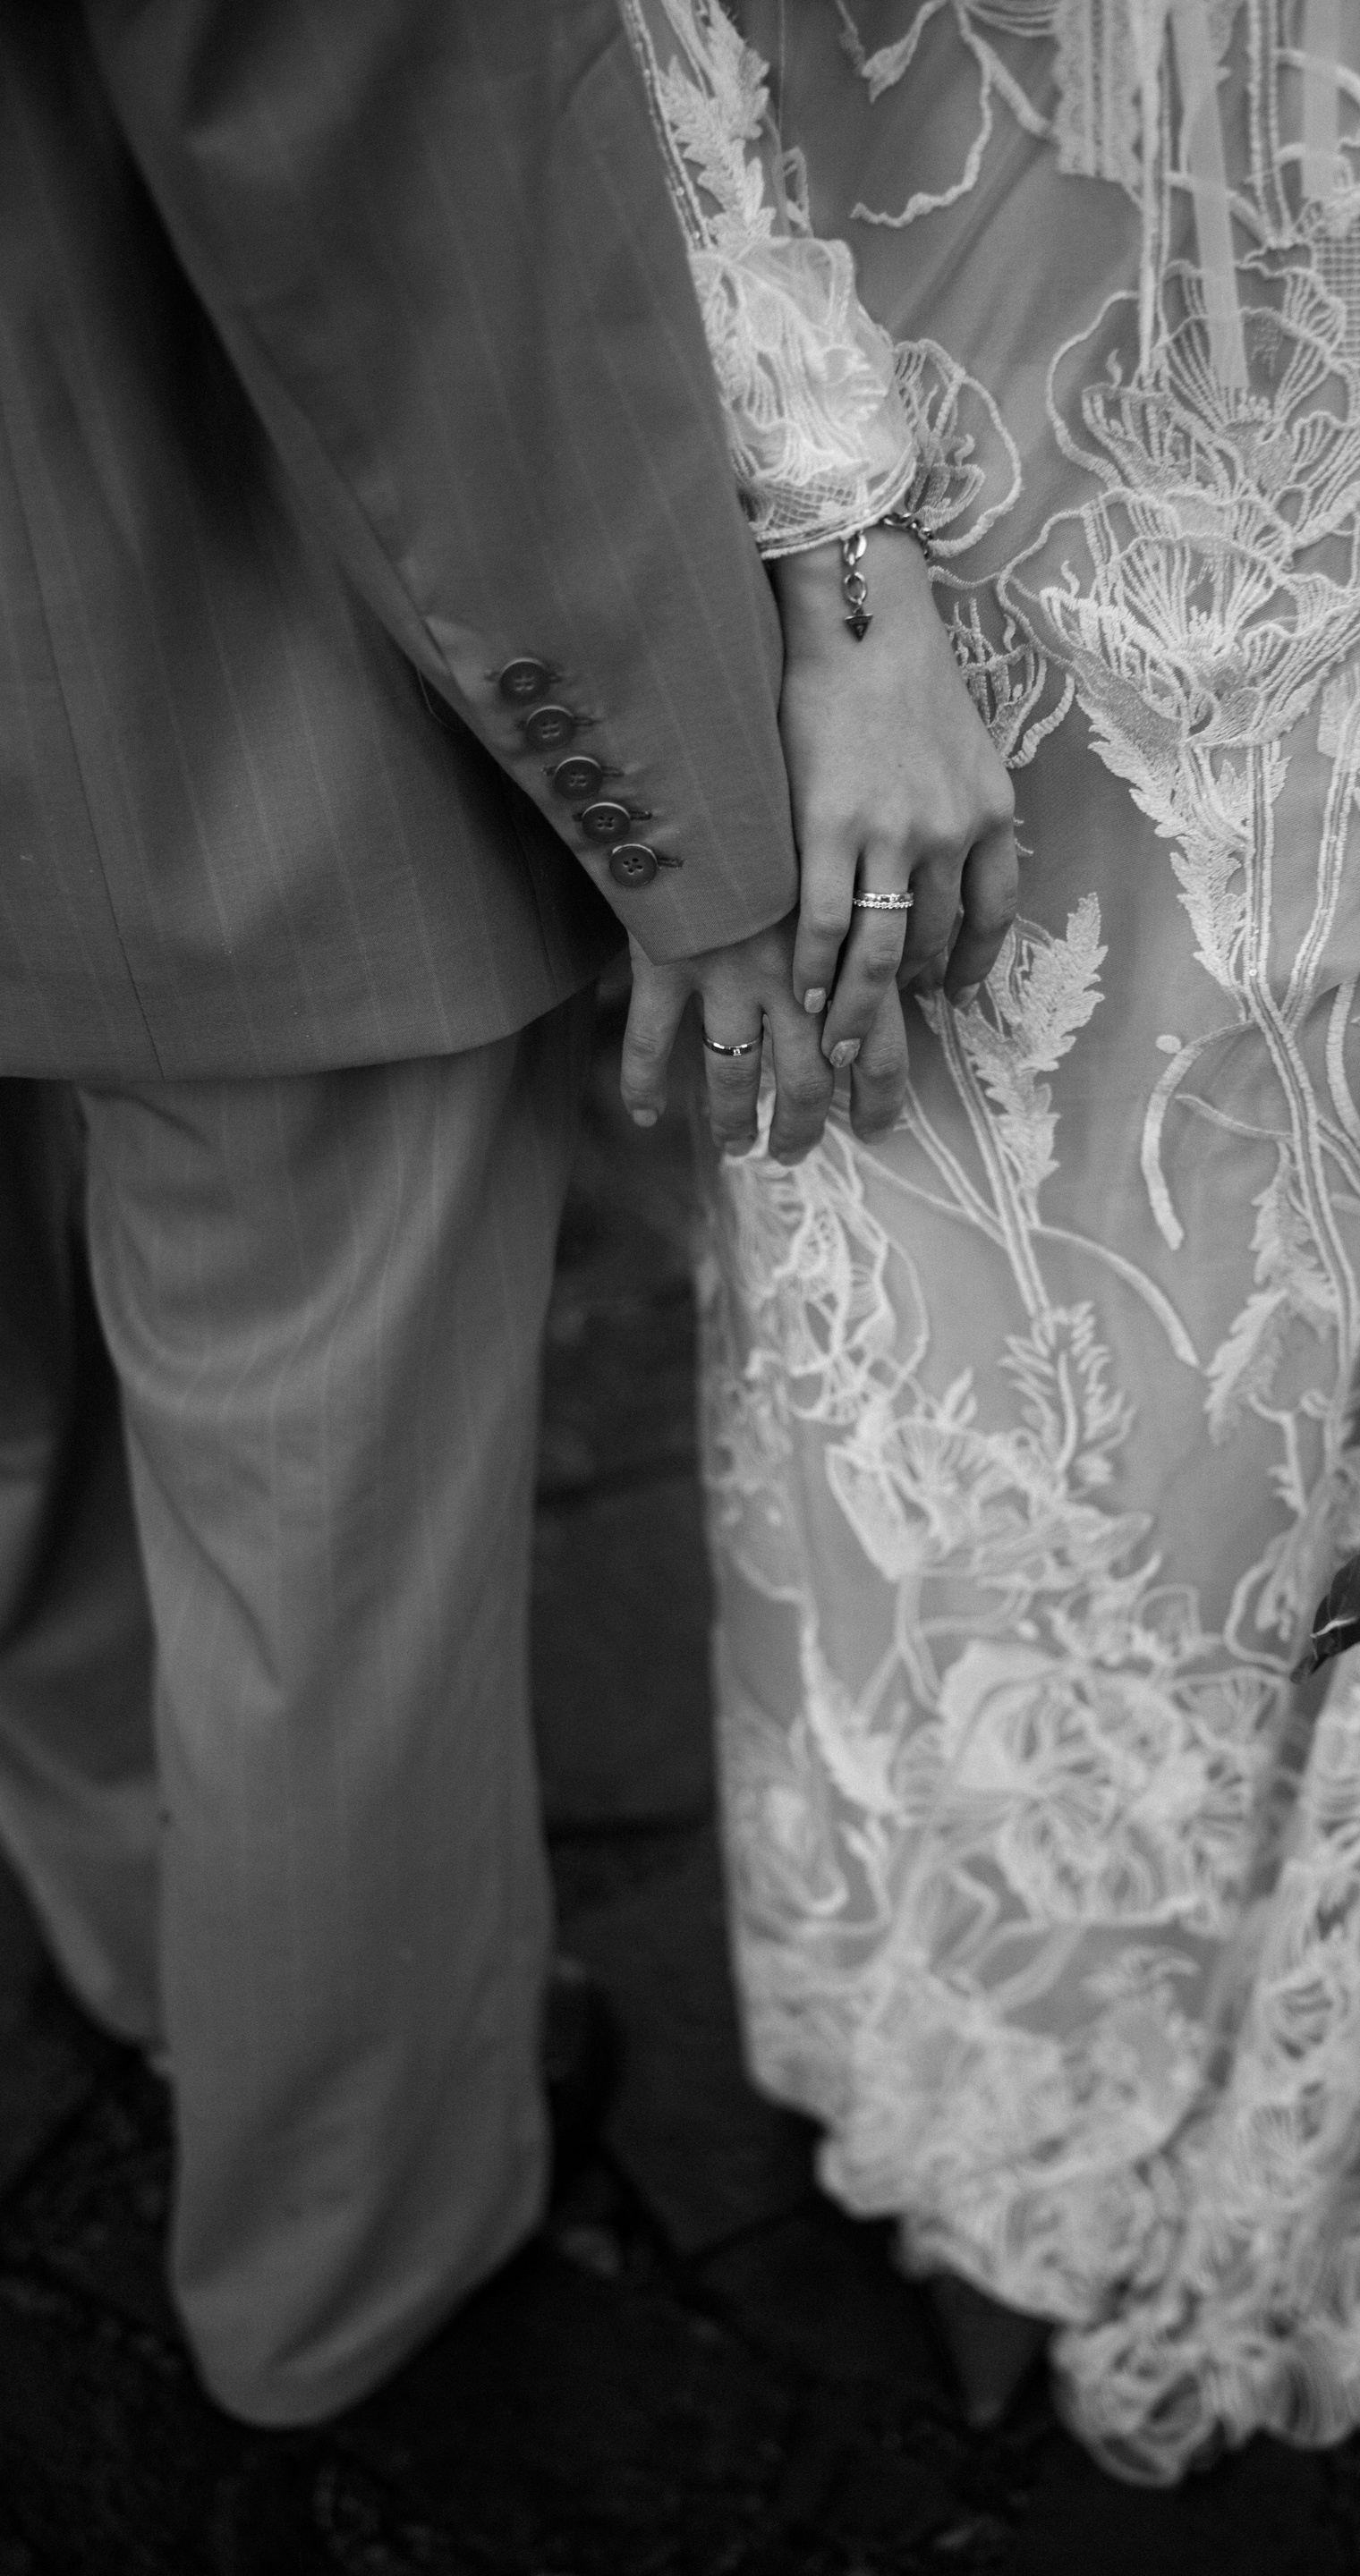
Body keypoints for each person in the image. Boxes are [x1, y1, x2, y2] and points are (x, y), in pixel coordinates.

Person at [620, 0, 1360, 2477]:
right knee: (966, 1242)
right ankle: (1007, 2079)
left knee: (1359, 1269)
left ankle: (1295, 2002)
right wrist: (825, 541)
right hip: (973, 395)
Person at [0, 0, 1008, 2427]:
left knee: (24, 1421)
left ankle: (129, 1922)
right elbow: (364, 127)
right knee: (318, 1539)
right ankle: (346, 2266)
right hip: (194, 683)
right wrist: (693, 824)